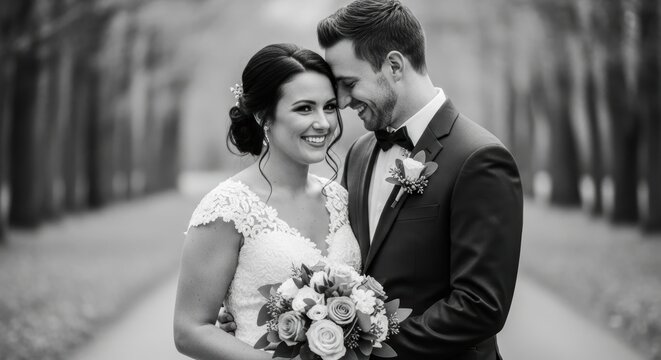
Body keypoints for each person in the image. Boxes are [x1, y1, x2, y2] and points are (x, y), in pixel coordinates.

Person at [317, 0, 523, 359]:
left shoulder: (480, 158)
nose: (344, 100)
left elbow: (479, 306)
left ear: (394, 65)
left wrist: (367, 346)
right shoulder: (360, 152)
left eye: (349, 83)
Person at [173, 43, 361, 359]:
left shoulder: (340, 199)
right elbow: (189, 330)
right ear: (264, 116)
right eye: (304, 108)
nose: (323, 123)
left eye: (329, 107)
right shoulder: (227, 208)